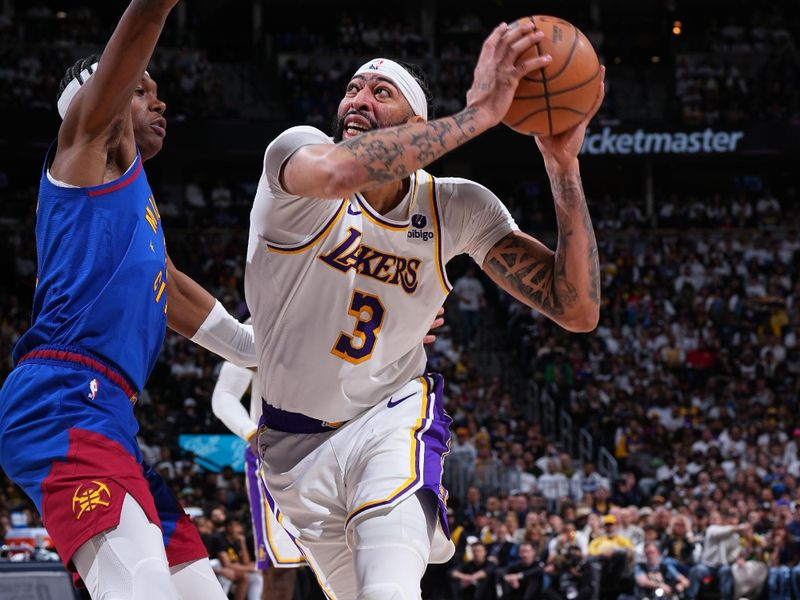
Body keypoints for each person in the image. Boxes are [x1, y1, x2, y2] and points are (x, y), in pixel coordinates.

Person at [246, 19, 604, 599]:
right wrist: (481, 113)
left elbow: (577, 308)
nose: (358, 98)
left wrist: (564, 168)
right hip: (291, 446)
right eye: (353, 88)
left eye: (380, 92)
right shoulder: (295, 157)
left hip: (389, 417)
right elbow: (342, 170)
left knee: (391, 588)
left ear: (417, 126)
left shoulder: (454, 206)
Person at [0, 1, 257, 598]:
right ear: (103, 101)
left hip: (110, 413)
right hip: (60, 401)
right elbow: (139, 24)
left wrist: (256, 350)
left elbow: (170, 291)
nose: (160, 101)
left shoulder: (133, 201)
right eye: (143, 90)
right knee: (142, 589)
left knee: (199, 591)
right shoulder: (82, 153)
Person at [211, 357, 306, 600]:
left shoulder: (336, 321)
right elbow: (224, 395)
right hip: (273, 453)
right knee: (281, 570)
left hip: (333, 444)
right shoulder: (254, 331)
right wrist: (250, 431)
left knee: (351, 560)